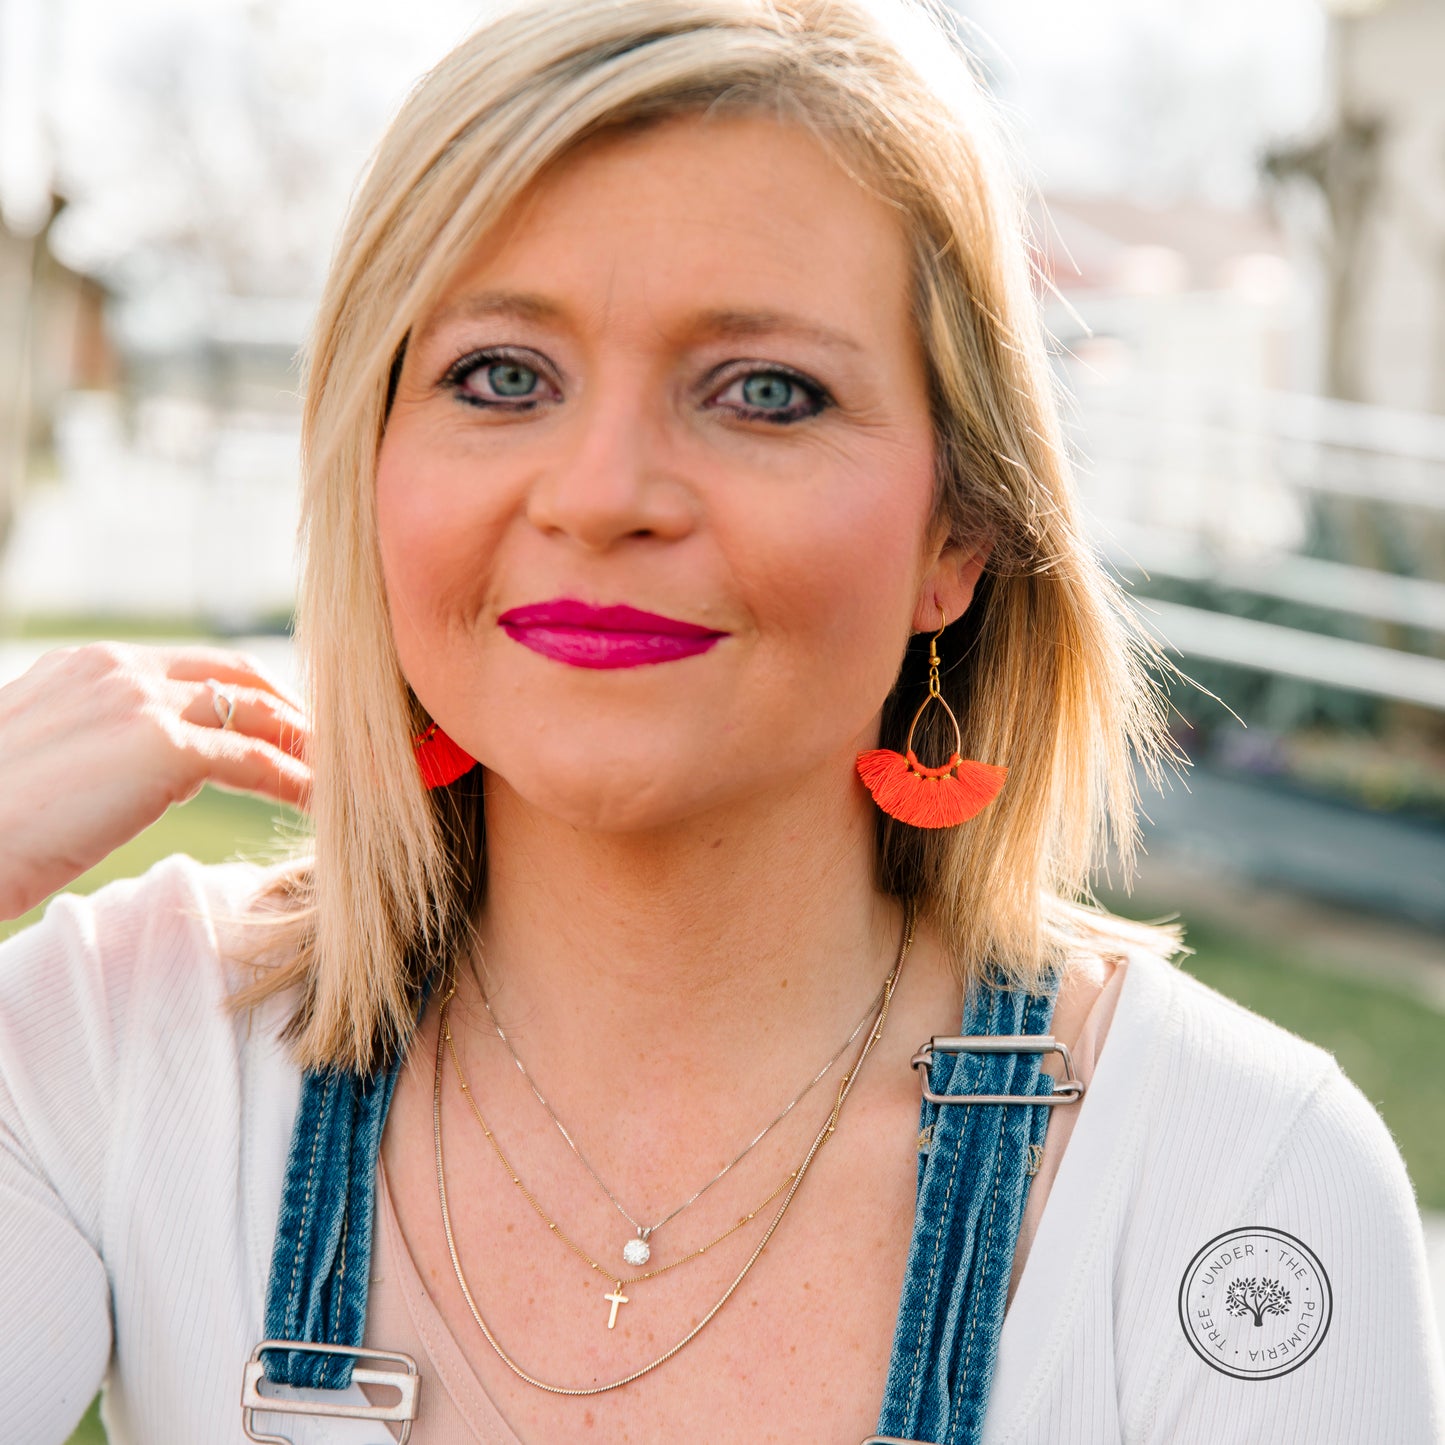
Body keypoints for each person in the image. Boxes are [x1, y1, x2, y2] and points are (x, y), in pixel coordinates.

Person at [2, 0, 1442, 1441]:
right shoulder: (124, 1039)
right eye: (501, 375)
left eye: (764, 392)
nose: (602, 488)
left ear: (957, 534)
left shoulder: (1241, 1177)